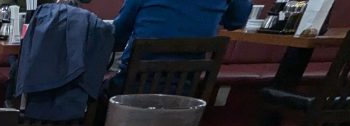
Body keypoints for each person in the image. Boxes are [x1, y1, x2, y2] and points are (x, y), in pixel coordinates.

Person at [108, 0, 252, 91]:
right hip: (185, 94)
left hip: (132, 89)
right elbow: (236, 21)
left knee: (98, 92)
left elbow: (117, 35)